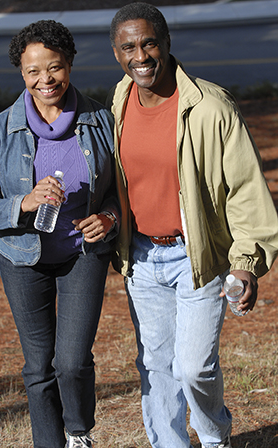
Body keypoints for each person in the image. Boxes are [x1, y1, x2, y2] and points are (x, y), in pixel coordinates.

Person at [108, 3, 278, 448]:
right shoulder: (119, 102)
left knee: (193, 367)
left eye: (149, 43)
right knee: (157, 366)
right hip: (143, 257)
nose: (140, 55)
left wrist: (245, 263)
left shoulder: (210, 106)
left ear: (166, 44)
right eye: (128, 46)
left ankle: (213, 435)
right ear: (116, 52)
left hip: (195, 256)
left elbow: (244, 187)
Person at [0, 20, 120, 448]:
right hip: (23, 257)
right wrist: (22, 203)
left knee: (72, 361)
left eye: (54, 68)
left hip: (83, 253)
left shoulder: (100, 121)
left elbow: (122, 189)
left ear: (70, 64)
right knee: (39, 364)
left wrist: (110, 216)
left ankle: (78, 431)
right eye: (33, 72)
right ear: (21, 74)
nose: (45, 80)